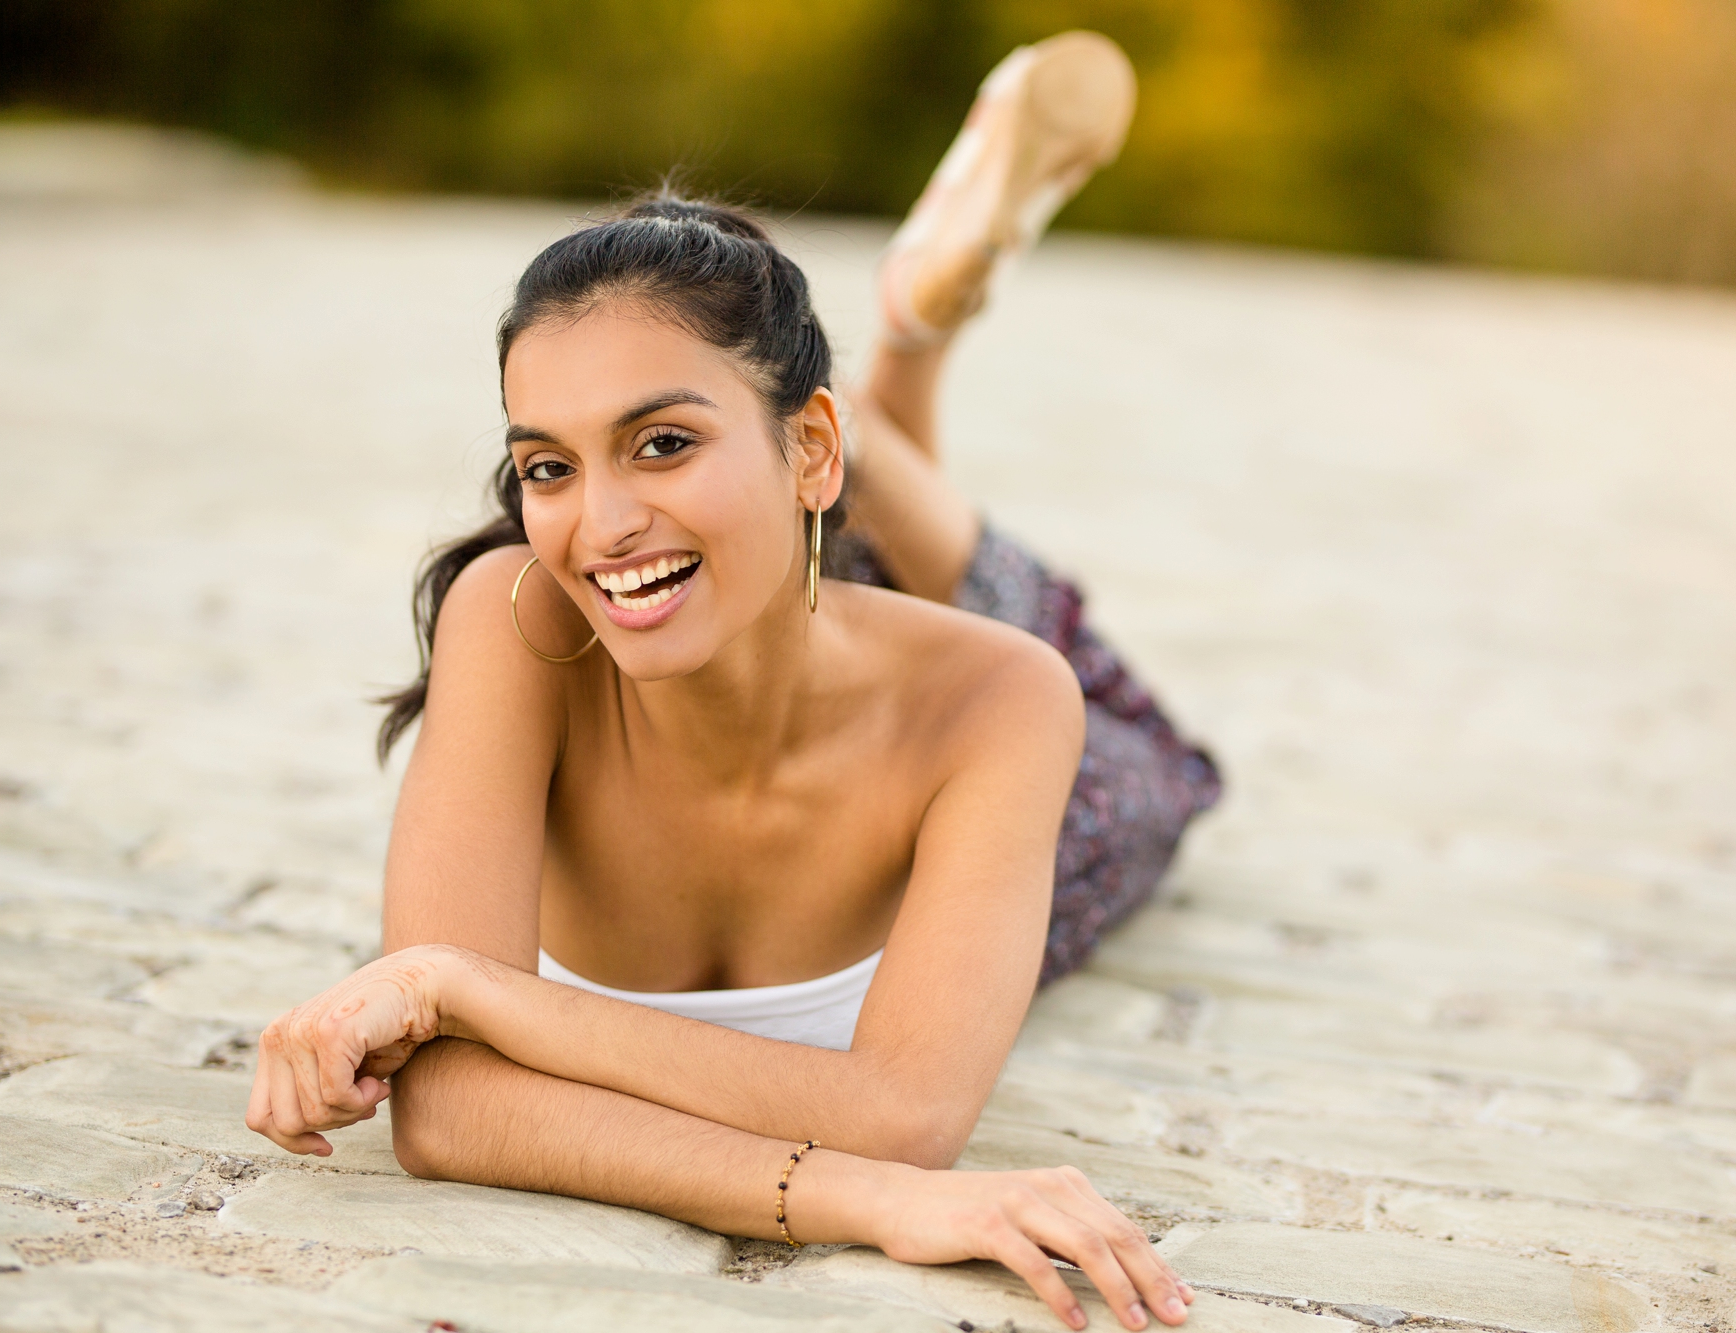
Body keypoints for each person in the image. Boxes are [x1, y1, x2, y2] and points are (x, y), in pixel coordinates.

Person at [245, 31, 1219, 1333]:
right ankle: (847, 377)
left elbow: (907, 1112)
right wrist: (861, 1197)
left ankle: (892, 365)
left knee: (1113, 717)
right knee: (749, 546)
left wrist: (474, 990)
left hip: (962, 689)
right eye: (546, 466)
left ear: (817, 449)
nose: (596, 524)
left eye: (660, 439)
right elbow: (449, 1108)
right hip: (785, 546)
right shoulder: (517, 616)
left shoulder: (1006, 701)